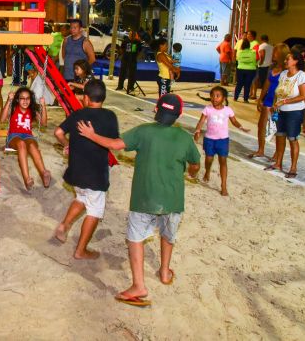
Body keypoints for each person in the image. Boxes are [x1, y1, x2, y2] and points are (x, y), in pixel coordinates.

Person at [78, 93, 200, 307]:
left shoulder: (143, 131)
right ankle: (164, 272)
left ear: (155, 110)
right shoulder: (185, 138)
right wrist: (191, 171)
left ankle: (139, 286)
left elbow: (115, 145)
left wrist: (91, 135)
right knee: (167, 234)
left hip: (145, 198)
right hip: (172, 200)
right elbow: (195, 164)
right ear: (179, 116)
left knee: (136, 238)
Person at [53, 79, 118, 258]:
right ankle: (81, 251)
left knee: (82, 197)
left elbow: (58, 133)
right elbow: (113, 144)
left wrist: (67, 144)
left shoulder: (77, 114)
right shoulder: (110, 116)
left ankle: (63, 225)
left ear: (87, 98)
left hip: (76, 172)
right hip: (96, 175)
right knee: (95, 210)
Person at [193, 86, 249, 196]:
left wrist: (241, 127)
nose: (214, 98)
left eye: (218, 96)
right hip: (209, 139)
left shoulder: (228, 110)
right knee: (209, 159)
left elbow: (234, 121)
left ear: (223, 98)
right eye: (212, 96)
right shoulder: (207, 109)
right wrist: (198, 131)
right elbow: (201, 121)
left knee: (223, 161)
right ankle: (207, 171)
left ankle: (223, 185)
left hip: (223, 140)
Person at [265, 50, 305, 178]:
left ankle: (293, 167)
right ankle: (278, 163)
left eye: (288, 59)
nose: (285, 61)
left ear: (295, 61)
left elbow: (303, 96)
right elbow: (277, 91)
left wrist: (285, 101)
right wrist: (274, 104)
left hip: (294, 112)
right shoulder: (284, 74)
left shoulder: (301, 76)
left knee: (292, 138)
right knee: (279, 137)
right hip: (280, 110)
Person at [1, 87, 50, 191]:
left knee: (32, 145)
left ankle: (44, 173)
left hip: (28, 136)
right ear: (18, 99)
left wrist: (43, 105)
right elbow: (2, 119)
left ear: (30, 100)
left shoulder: (32, 111)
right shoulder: (14, 108)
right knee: (21, 144)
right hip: (14, 136)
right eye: (22, 98)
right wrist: (9, 100)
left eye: (27, 98)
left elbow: (44, 123)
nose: (25, 101)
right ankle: (27, 178)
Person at [249, 43, 290, 160]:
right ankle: (260, 150)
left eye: (275, 53)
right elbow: (267, 83)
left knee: (277, 129)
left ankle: (277, 154)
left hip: (278, 102)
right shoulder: (272, 67)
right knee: (261, 126)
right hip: (268, 100)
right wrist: (260, 98)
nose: (272, 55)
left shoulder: (287, 70)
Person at [116, 30, 140, 94]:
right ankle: (120, 86)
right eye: (130, 34)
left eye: (133, 35)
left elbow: (139, 50)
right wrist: (122, 53)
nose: (131, 36)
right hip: (125, 59)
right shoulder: (125, 41)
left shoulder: (137, 42)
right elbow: (122, 48)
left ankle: (131, 86)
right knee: (122, 72)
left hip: (133, 59)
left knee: (132, 73)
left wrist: (136, 55)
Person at [234, 38, 257, 103]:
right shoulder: (253, 52)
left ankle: (235, 98)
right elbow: (255, 59)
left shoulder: (240, 52)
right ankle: (245, 99)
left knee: (239, 84)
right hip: (251, 70)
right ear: (249, 45)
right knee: (248, 84)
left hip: (241, 69)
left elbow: (238, 59)